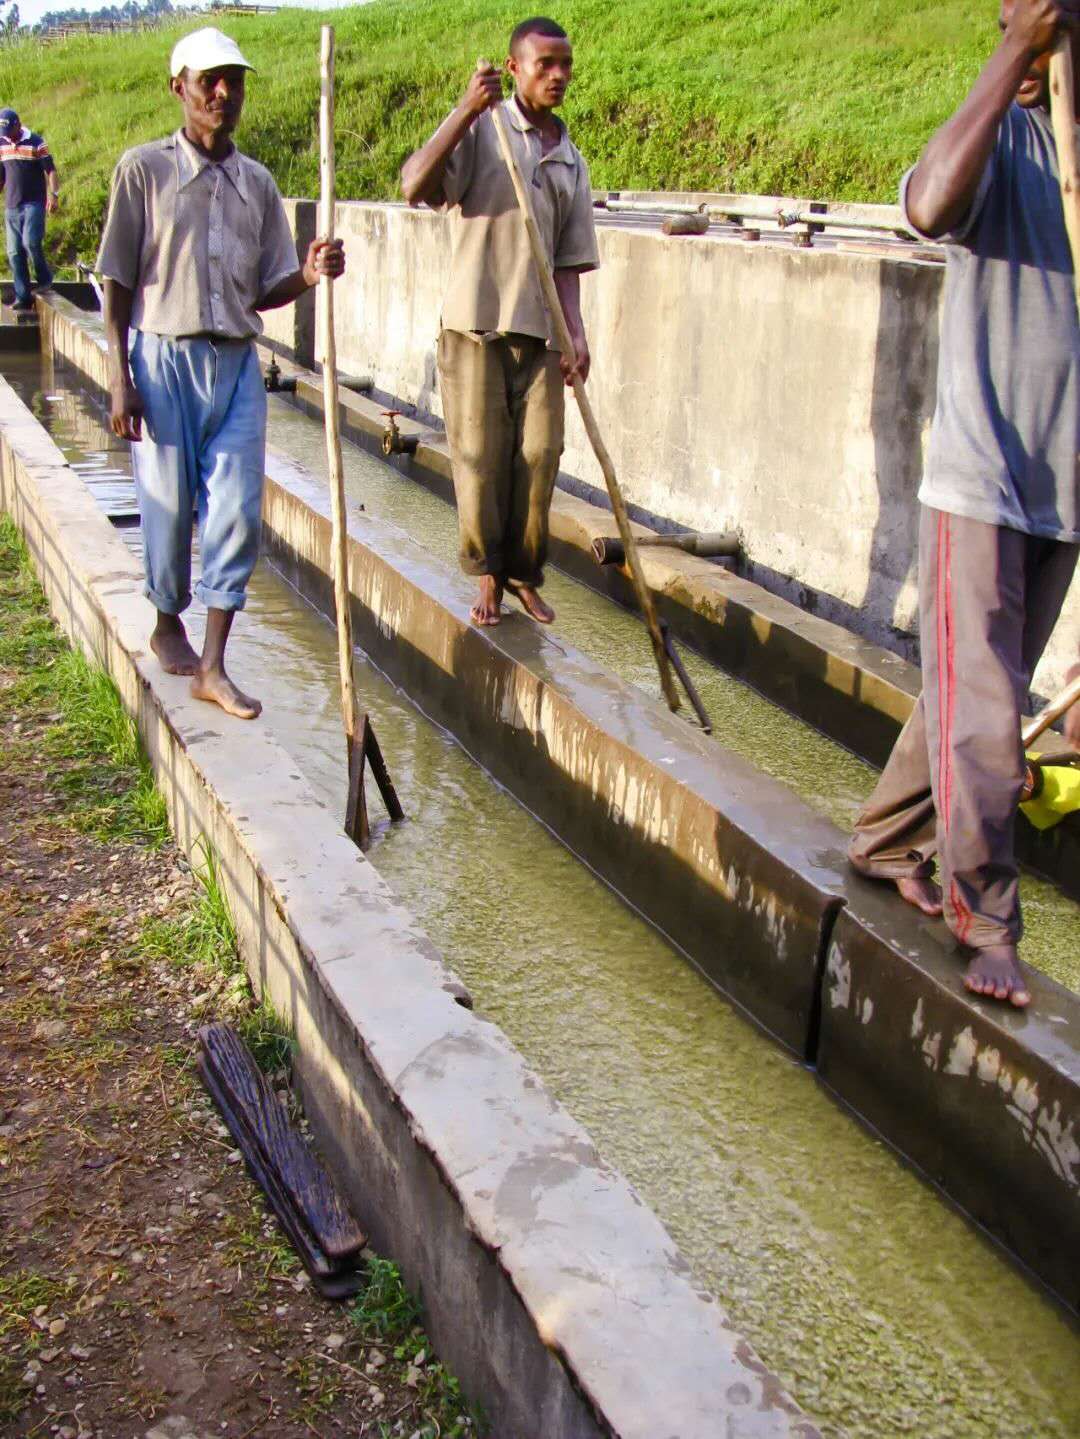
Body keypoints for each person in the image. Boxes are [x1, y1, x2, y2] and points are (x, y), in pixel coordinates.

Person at [848, 0, 1080, 1008]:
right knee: (987, 710)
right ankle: (984, 917)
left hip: (1068, 488)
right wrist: (1014, 58)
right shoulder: (995, 142)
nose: (1028, 30)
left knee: (970, 691)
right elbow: (930, 206)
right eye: (1013, 17)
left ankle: (884, 836)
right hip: (984, 474)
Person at [97, 27, 344, 720]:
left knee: (236, 508)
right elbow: (116, 280)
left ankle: (213, 664)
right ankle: (166, 618)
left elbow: (262, 290)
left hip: (235, 362)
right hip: (162, 354)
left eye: (234, 81)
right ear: (179, 86)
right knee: (168, 507)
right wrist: (119, 375)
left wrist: (307, 273)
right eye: (210, 81)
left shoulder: (256, 184)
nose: (223, 94)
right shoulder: (143, 171)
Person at [400, 15, 599, 627]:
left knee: (540, 453)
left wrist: (577, 333)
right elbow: (414, 184)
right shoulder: (484, 132)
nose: (559, 76)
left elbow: (568, 261)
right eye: (545, 65)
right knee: (480, 455)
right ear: (515, 69)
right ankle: (486, 573)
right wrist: (464, 109)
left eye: (565, 65)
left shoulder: (569, 159)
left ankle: (522, 575)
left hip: (540, 333)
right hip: (475, 325)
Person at [0, 107, 59, 313]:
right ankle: (23, 296)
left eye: (10, 132)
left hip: (34, 203)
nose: (9, 138)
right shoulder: (2, 144)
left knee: (31, 243)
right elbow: (2, 175)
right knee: (15, 252)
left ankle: (44, 281)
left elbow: (50, 170)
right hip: (12, 206)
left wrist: (54, 195)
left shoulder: (36, 142)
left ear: (18, 124)